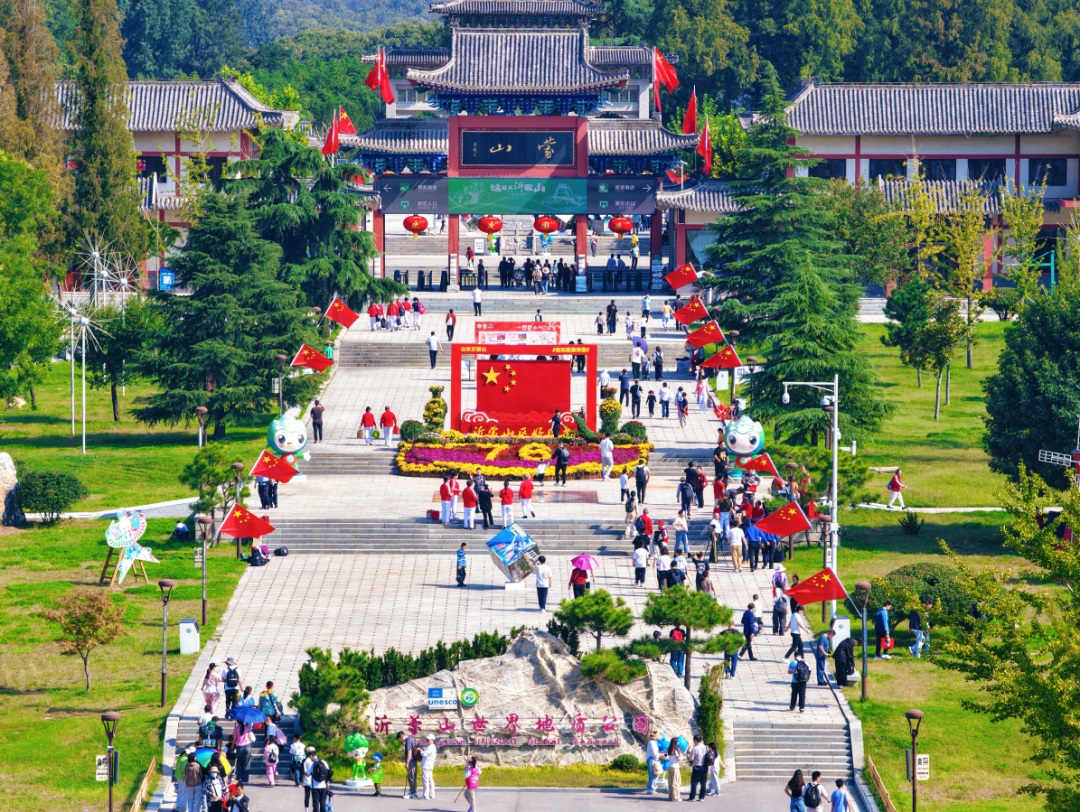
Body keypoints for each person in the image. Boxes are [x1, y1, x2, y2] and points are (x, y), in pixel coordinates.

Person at [307, 748, 331, 812]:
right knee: (323, 802)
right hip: (324, 786)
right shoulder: (324, 762)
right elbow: (328, 772)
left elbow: (308, 774)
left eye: (310, 758)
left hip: (315, 787)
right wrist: (328, 782)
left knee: (316, 803)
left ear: (311, 756)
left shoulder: (313, 764)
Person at [687, 734, 708, 801]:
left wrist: (688, 756)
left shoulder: (694, 748)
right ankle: (702, 797)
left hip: (697, 766)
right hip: (705, 766)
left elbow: (691, 758)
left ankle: (692, 797)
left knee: (694, 782)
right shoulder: (705, 747)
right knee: (703, 782)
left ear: (695, 740)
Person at [398, 731, 418, 799]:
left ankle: (412, 793)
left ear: (402, 736)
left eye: (400, 739)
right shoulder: (411, 739)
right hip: (413, 761)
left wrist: (407, 762)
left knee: (411, 777)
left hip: (411, 761)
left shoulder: (408, 741)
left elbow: (409, 752)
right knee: (412, 777)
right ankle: (413, 792)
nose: (401, 741)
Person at [421, 734, 438, 799]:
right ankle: (432, 794)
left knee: (425, 780)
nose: (427, 741)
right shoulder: (432, 746)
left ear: (432, 740)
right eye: (427, 740)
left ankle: (426, 795)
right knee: (430, 780)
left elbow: (424, 754)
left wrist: (420, 750)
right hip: (429, 765)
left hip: (426, 765)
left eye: (428, 740)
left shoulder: (431, 747)